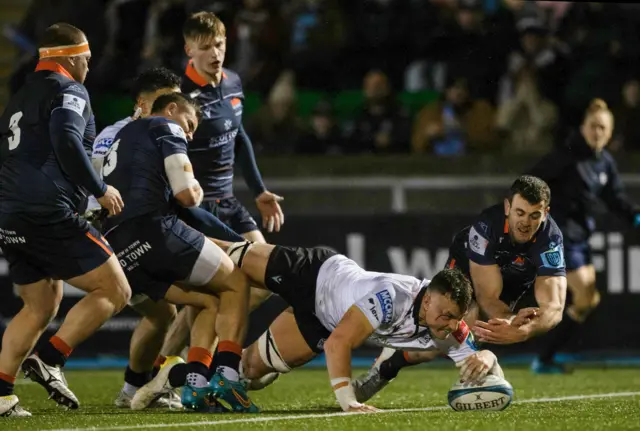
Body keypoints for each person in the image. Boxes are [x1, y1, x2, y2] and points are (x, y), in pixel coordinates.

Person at [138, 241, 505, 413]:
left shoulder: (449, 324)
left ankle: (172, 376)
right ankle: (160, 243)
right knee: (222, 259)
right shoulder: (389, 297)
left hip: (321, 323)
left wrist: (486, 358)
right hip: (315, 274)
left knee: (249, 372)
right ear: (427, 300)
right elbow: (338, 346)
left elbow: (474, 357)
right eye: (444, 315)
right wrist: (348, 401)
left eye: (456, 317)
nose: (450, 325)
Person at [0, 23, 131, 417]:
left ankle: (2, 395)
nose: (89, 68)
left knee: (40, 304)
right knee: (116, 289)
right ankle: (51, 358)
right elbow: (67, 139)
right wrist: (99, 189)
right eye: (87, 60)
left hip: (9, 213)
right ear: (71, 57)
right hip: (45, 211)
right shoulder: (69, 90)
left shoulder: (19, 96)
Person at [100, 92, 257, 413]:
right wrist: (195, 189)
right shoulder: (164, 127)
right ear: (171, 108)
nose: (189, 134)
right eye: (189, 124)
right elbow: (186, 194)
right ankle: (226, 376)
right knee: (237, 282)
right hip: (153, 230)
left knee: (208, 300)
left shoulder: (121, 134)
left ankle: (194, 384)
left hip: (118, 248)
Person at [351, 175, 567, 401]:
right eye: (519, 213)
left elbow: (554, 307)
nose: (525, 223)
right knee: (454, 328)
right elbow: (486, 297)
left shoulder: (550, 240)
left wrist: (525, 330)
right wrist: (512, 322)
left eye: (534, 216)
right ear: (507, 207)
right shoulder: (486, 227)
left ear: (546, 213)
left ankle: (398, 358)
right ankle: (387, 368)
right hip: (467, 271)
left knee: (459, 340)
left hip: (509, 286)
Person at [528, 99, 640, 373]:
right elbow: (531, 181)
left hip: (580, 238)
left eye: (603, 127)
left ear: (610, 133)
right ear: (583, 128)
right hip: (559, 237)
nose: (597, 132)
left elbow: (614, 198)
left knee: (588, 301)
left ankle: (544, 358)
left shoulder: (604, 163)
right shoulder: (566, 155)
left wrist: (634, 215)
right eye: (593, 126)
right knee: (579, 295)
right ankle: (538, 356)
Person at [180, 11, 284, 242]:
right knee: (230, 274)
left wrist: (259, 190)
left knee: (264, 264)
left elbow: (238, 137)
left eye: (218, 44)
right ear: (190, 51)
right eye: (205, 47)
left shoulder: (234, 82)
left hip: (228, 200)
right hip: (195, 208)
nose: (215, 53)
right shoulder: (179, 97)